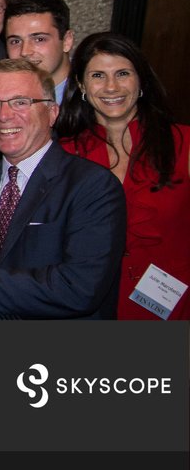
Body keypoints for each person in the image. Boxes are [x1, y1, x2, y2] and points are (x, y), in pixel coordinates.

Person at [0, 59, 126, 320]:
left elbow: (80, 288)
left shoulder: (93, 187)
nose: (4, 115)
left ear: (52, 113)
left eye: (20, 102)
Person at [56, 33, 188, 320]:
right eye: (98, 75)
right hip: (89, 311)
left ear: (140, 79)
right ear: (80, 84)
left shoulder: (184, 143)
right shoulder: (64, 154)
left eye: (123, 74)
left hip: (175, 309)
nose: (111, 86)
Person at [4, 0, 75, 104]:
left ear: (67, 41)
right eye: (15, 41)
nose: (25, 52)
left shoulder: (94, 96)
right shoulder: (0, 95)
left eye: (39, 39)